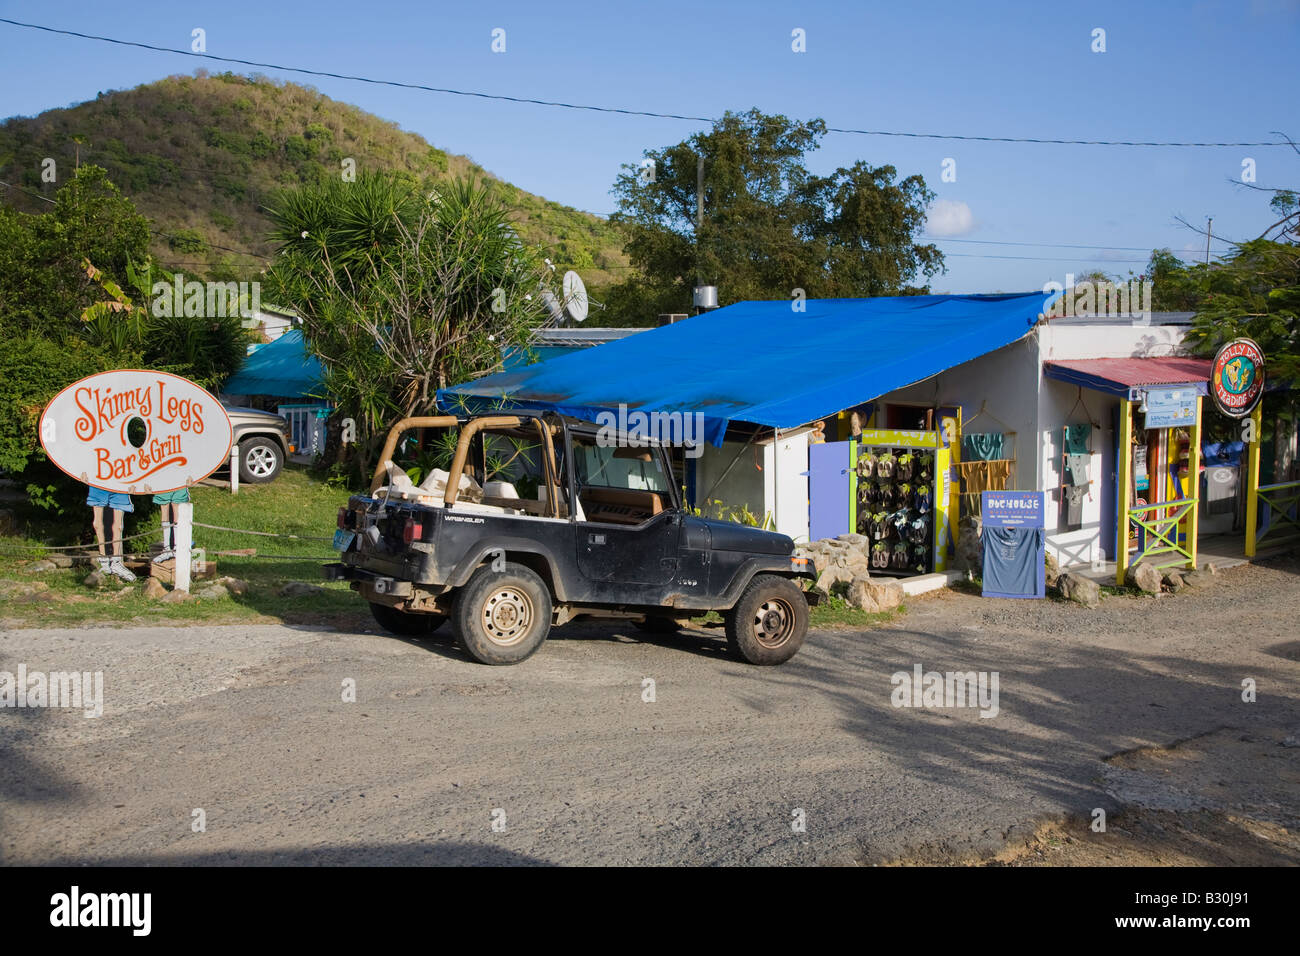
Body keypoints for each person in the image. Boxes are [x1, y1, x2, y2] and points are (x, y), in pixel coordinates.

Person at [86, 485, 136, 582]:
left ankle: (116, 562)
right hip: (99, 481)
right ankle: (103, 561)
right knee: (98, 522)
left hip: (120, 482)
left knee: (118, 525)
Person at [151, 487, 190, 563]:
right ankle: (166, 549)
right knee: (164, 511)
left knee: (177, 512)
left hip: (179, 483)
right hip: (163, 483)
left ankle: (177, 549)